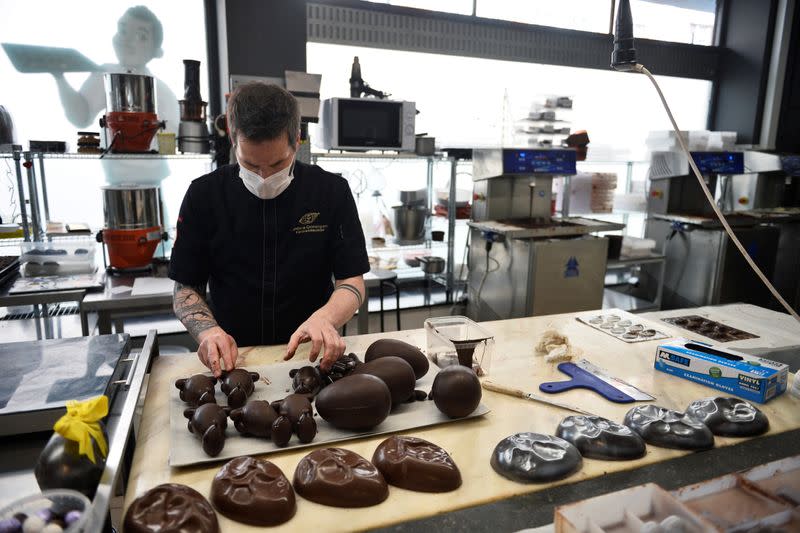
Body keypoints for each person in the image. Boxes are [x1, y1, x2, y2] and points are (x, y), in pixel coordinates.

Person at [169, 83, 369, 377]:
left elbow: (352, 280)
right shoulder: (204, 195)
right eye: (250, 164)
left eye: (277, 163)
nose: (263, 177)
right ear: (233, 141)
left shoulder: (331, 192)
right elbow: (185, 287)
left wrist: (325, 318)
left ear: (297, 141)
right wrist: (208, 332)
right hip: (233, 360)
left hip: (311, 356)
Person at [50, 5, 179, 133]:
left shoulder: (163, 93)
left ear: (156, 52)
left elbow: (173, 135)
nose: (126, 40)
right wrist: (60, 78)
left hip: (150, 152)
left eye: (141, 36)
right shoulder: (105, 74)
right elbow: (80, 117)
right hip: (113, 152)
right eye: (123, 31)